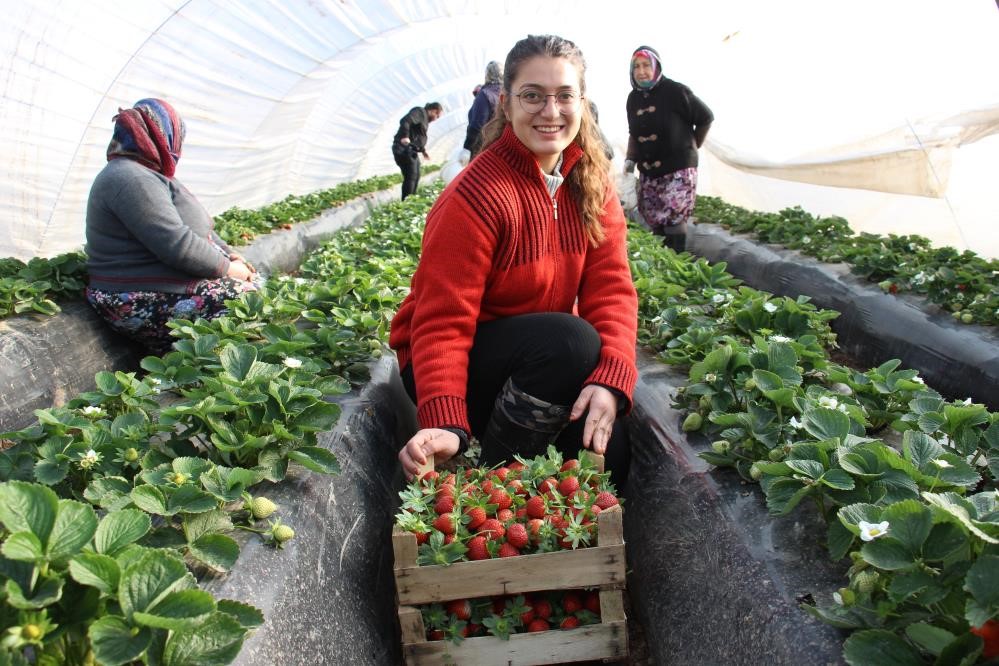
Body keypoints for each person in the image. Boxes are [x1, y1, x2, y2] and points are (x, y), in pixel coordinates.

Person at [391, 34, 638, 487]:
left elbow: (612, 291)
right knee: (571, 341)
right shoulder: (476, 196)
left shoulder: (592, 185)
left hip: (537, 363)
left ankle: (518, 471)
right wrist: (446, 419)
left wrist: (610, 381)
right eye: (532, 96)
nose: (550, 111)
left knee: (611, 451)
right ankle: (489, 479)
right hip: (456, 365)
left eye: (565, 96)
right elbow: (443, 320)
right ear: (505, 103)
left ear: (581, 102)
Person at [85, 98, 257, 355]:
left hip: (157, 284)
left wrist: (230, 253)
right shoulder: (129, 178)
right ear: (161, 135)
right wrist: (230, 270)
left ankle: (199, 361)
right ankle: (188, 366)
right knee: (243, 298)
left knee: (255, 285)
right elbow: (177, 244)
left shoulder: (152, 173)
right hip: (130, 296)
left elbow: (201, 229)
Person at [624, 45, 713, 252]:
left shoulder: (675, 91)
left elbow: (705, 117)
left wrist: (692, 145)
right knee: (655, 220)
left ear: (657, 66)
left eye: (646, 65)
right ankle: (665, 267)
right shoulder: (633, 99)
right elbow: (634, 133)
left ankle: (678, 260)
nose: (641, 71)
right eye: (636, 66)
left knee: (674, 220)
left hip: (677, 168)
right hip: (649, 170)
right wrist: (630, 160)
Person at [392, 101, 443, 200]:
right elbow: (405, 121)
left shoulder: (424, 119)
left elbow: (418, 136)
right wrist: (405, 136)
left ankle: (410, 200)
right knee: (411, 176)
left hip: (411, 150)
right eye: (437, 116)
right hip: (403, 148)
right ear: (433, 111)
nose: (436, 119)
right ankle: (406, 202)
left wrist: (423, 151)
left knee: (416, 175)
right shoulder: (420, 112)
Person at [460, 61, 503, 163]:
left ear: (487, 75)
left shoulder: (485, 94)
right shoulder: (508, 93)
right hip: (503, 148)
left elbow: (477, 124)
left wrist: (466, 148)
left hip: (484, 148)